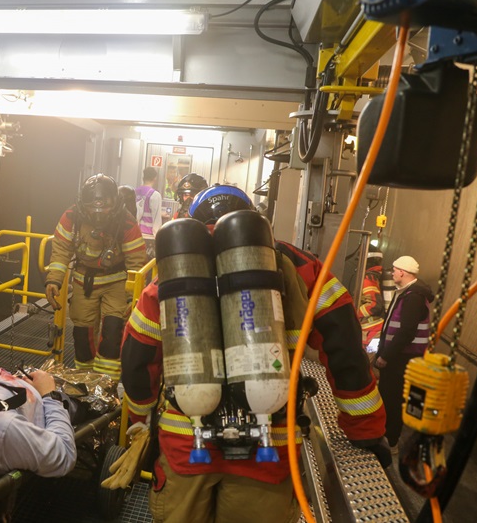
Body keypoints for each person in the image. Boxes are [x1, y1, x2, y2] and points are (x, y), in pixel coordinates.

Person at [120, 184, 388, 523]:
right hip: (267, 443)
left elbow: (137, 354)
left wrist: (141, 421)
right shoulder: (298, 265)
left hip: (188, 440)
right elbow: (344, 344)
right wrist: (365, 427)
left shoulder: (174, 272)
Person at [45, 174, 147, 380]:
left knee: (113, 332)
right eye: (94, 210)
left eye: (104, 210)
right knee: (82, 335)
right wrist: (54, 279)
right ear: (83, 205)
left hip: (116, 282)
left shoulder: (125, 221)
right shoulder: (72, 217)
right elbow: (61, 250)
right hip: (84, 282)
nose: (99, 216)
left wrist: (132, 296)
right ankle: (85, 379)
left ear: (115, 205)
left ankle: (107, 382)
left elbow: (136, 261)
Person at [0, 368, 76, 481]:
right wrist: (51, 395)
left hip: (13, 386)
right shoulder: (0, 430)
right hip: (49, 404)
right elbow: (65, 453)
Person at [375, 255, 433, 453]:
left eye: (394, 269)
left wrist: (385, 356)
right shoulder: (406, 293)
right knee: (388, 396)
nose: (391, 273)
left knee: (393, 399)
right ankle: (385, 434)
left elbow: (406, 332)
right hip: (397, 356)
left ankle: (391, 441)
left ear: (402, 272)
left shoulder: (414, 297)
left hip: (402, 359)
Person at [357, 246, 386, 353]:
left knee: (368, 364)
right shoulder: (380, 275)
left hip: (371, 332)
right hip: (377, 330)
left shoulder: (368, 279)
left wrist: (355, 313)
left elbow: (374, 305)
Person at [135, 168, 162, 258]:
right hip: (149, 237)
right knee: (148, 267)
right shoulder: (154, 194)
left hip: (136, 236)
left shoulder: (134, 192)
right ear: (155, 178)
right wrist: (158, 238)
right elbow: (156, 220)